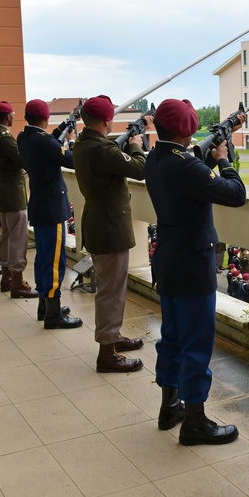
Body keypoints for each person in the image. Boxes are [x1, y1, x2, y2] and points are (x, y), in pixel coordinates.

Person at [144, 98, 246, 443]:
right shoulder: (186, 166)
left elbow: (188, 171)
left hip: (169, 260)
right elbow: (235, 194)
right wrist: (224, 160)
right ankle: (195, 421)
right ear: (189, 130)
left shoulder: (156, 158)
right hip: (192, 263)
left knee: (171, 337)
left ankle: (169, 405)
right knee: (197, 343)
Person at [73, 95, 147, 373]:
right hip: (110, 226)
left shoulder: (84, 142)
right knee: (110, 292)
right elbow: (140, 169)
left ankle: (113, 336)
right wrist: (137, 146)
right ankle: (107, 352)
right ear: (108, 120)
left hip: (100, 221)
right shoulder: (103, 149)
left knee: (111, 288)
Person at [17, 98, 82, 329]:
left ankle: (45, 306)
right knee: (55, 262)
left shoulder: (24, 137)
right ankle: (54, 315)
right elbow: (71, 161)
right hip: (52, 208)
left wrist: (62, 128)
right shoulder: (45, 142)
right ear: (46, 119)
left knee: (43, 258)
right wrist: (73, 141)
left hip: (39, 204)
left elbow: (47, 143)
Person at [0, 101, 37, 299]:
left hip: (2, 188)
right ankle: (17, 282)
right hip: (13, 190)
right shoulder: (6, 138)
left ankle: (7, 278)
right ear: (8, 117)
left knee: (7, 234)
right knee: (18, 237)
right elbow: (22, 160)